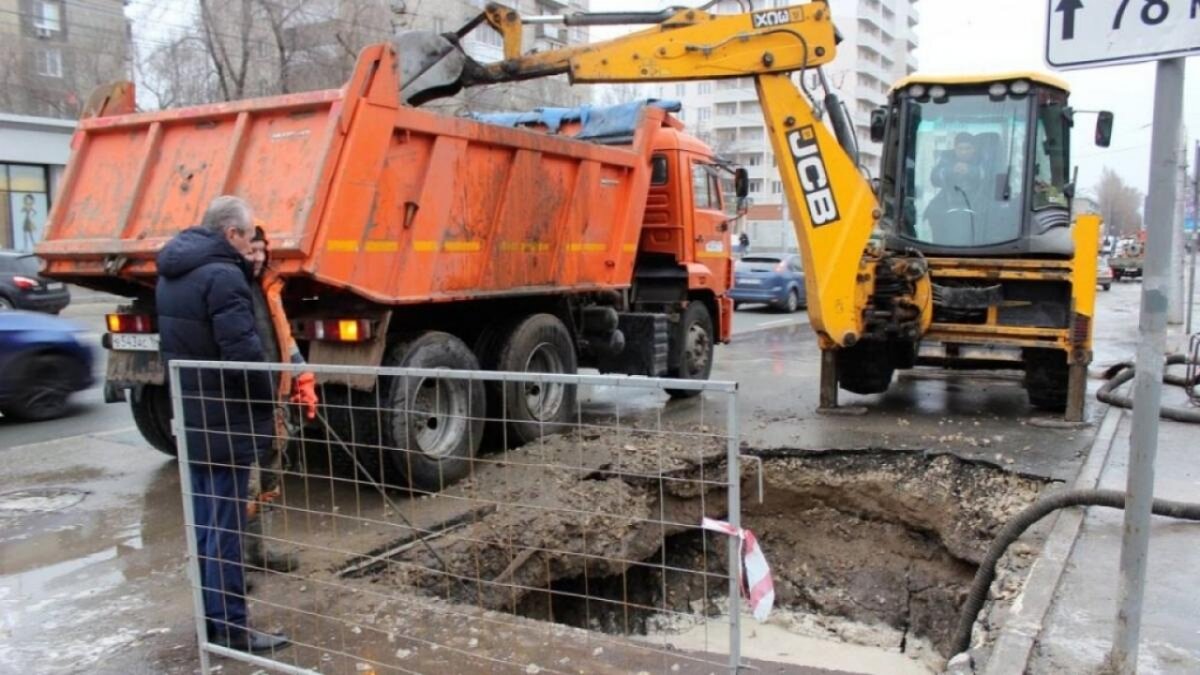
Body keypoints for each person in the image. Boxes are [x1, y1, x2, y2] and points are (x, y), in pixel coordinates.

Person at [156, 195, 290, 654]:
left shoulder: (174, 272)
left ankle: (208, 620)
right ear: (232, 234)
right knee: (227, 529)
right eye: (250, 236)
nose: (253, 245)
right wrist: (265, 403)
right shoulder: (224, 276)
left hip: (193, 417)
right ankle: (233, 628)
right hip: (227, 422)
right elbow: (244, 356)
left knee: (206, 527)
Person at [241, 225, 317, 573]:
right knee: (246, 485)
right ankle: (236, 560)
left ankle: (257, 551)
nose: (257, 257)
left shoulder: (268, 287)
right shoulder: (232, 288)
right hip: (248, 405)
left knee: (269, 478)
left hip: (274, 399)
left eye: (261, 250)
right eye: (251, 250)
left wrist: (302, 375)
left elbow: (283, 337)